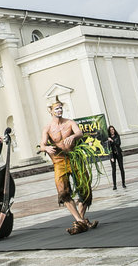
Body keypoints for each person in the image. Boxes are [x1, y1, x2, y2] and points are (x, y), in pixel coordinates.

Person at [41, 99, 98, 235]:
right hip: (60, 160)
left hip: (74, 157)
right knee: (63, 192)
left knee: (85, 188)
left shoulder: (70, 122)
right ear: (51, 111)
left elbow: (79, 133)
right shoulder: (47, 128)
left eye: (60, 108)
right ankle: (80, 220)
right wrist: (47, 148)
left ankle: (80, 221)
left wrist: (73, 137)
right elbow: (42, 144)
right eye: (56, 109)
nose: (59, 110)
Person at [106, 125, 126, 190]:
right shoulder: (108, 138)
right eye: (110, 130)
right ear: (109, 131)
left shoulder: (117, 136)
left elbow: (118, 144)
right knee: (113, 170)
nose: (112, 131)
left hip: (118, 153)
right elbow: (108, 148)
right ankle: (114, 185)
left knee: (121, 168)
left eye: (113, 129)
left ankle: (123, 183)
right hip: (112, 155)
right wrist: (111, 157)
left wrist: (112, 140)